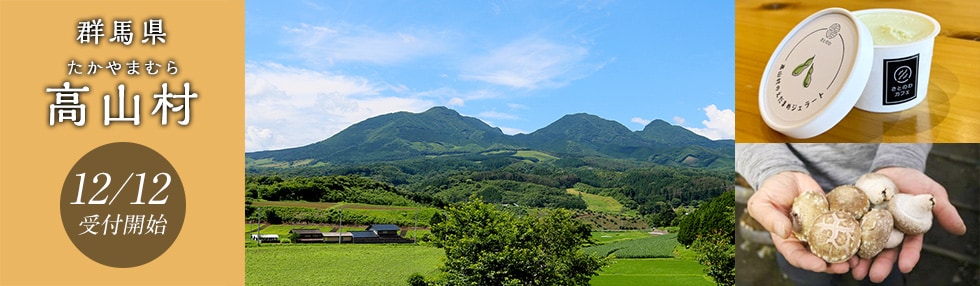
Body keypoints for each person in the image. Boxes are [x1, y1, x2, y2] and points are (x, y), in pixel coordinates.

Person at [736, 143, 967, 286]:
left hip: (882, 180)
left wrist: (902, 158)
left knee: (882, 276)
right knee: (809, 274)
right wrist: (771, 167)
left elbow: (913, 99)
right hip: (798, 196)